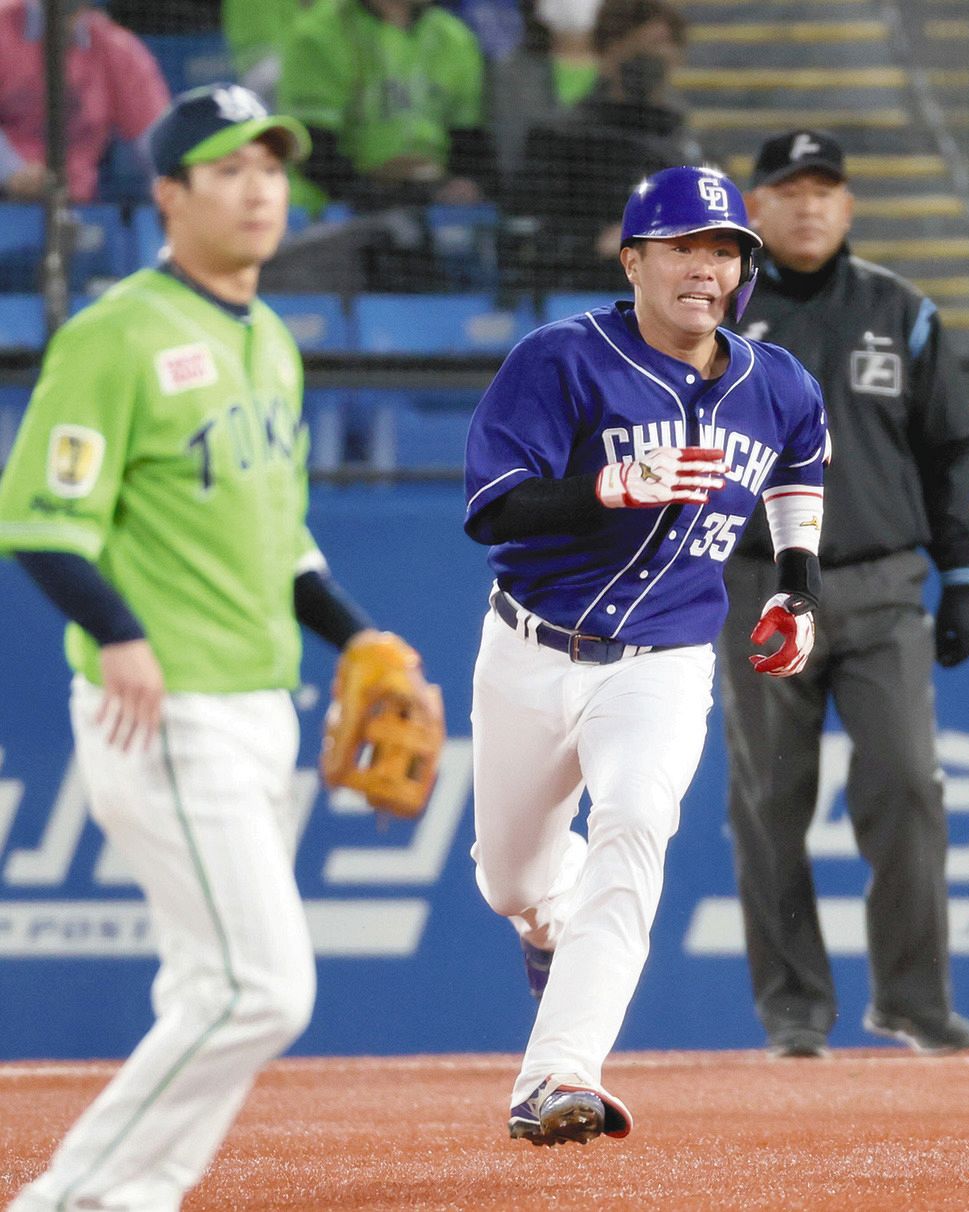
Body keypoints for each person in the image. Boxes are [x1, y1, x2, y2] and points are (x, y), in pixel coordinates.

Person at [0, 83, 391, 1211]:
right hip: (168, 712)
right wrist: (117, 635)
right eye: (228, 170)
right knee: (262, 990)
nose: (259, 188)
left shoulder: (269, 339)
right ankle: (69, 1199)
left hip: (259, 706)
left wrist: (355, 635)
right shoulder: (115, 333)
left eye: (270, 166)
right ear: (168, 195)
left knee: (206, 987)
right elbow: (39, 518)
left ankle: (133, 1200)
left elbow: (282, 536)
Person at [464, 165, 831, 1146]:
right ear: (632, 260)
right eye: (682, 247)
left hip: (662, 659)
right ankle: (549, 930)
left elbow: (800, 465)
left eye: (724, 250)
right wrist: (607, 487)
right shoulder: (560, 360)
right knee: (508, 883)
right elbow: (491, 507)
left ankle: (558, 1077)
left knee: (635, 822)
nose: (705, 269)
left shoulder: (776, 383)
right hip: (530, 649)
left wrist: (796, 586)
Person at [719, 130, 969, 1059]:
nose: (807, 206)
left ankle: (913, 999)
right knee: (769, 801)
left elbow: (949, 453)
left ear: (849, 205)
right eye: (787, 189)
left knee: (909, 783)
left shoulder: (902, 310)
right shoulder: (718, 316)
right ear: (753, 207)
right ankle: (795, 1009)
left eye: (825, 189)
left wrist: (965, 580)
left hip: (880, 582)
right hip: (755, 585)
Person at [505, 0, 700, 291]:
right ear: (607, 52)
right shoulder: (561, 138)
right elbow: (530, 238)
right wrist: (600, 242)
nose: (656, 57)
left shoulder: (687, 145)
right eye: (642, 49)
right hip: (588, 296)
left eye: (664, 46)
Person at [277, 0, 494, 216]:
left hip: (434, 208)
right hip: (337, 213)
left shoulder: (455, 37)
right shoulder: (318, 33)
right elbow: (312, 149)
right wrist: (381, 187)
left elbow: (469, 141)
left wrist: (464, 184)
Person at [0, 0, 169, 203]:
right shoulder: (3, 24)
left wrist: (173, 188)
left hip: (78, 204)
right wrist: (11, 171)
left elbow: (161, 141)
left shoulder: (117, 48)